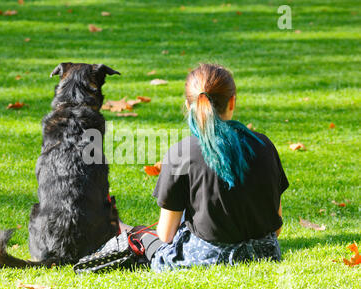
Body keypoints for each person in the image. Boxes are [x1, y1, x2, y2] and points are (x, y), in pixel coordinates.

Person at [121, 63, 289, 272]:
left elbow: (166, 235)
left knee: (146, 239)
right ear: (232, 101)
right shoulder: (264, 145)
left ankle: (123, 229)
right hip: (266, 252)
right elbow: (277, 225)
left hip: (206, 256)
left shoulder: (181, 152)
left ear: (187, 103)